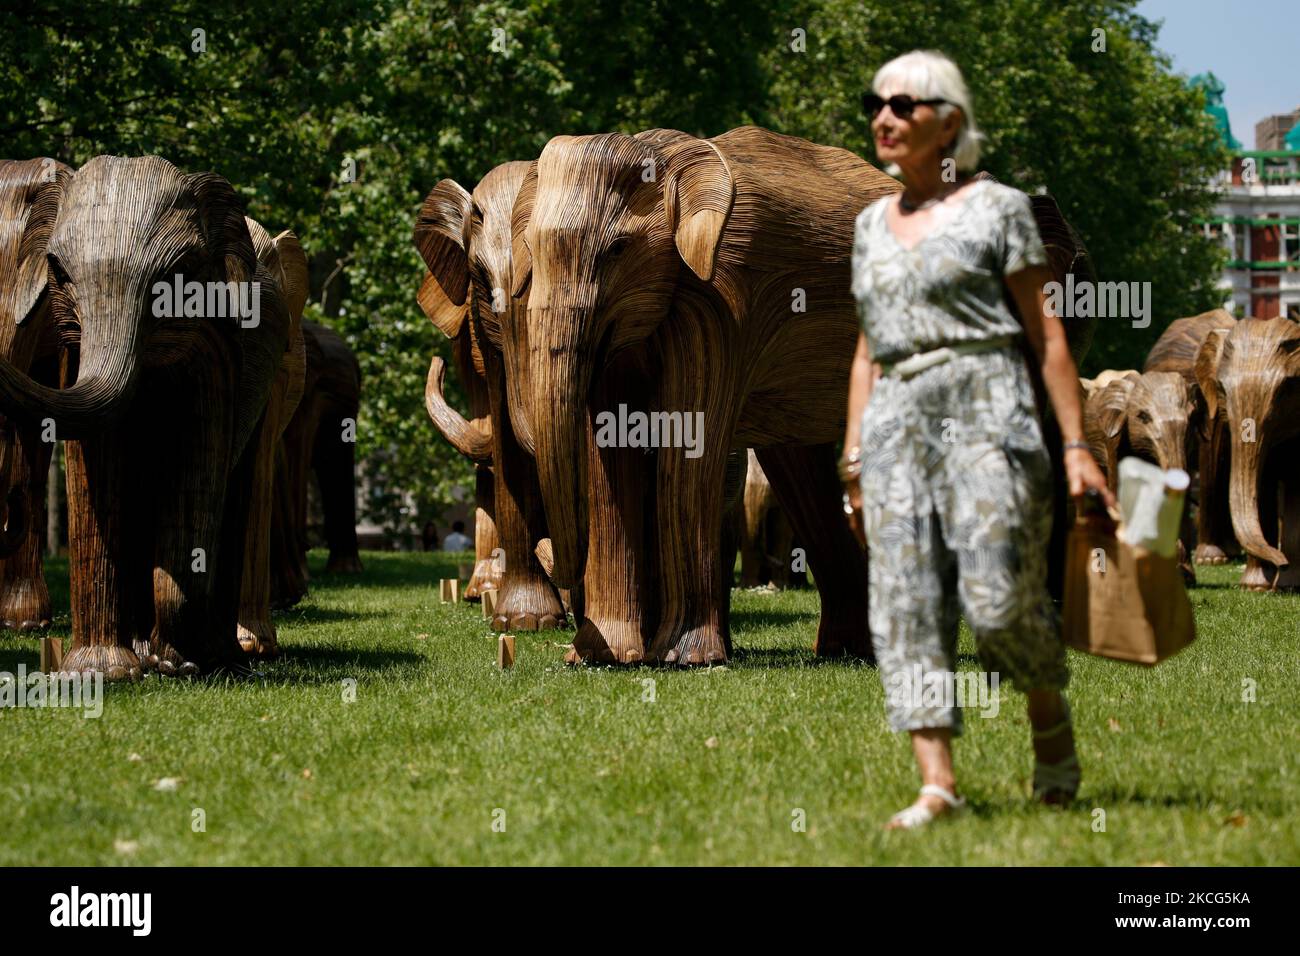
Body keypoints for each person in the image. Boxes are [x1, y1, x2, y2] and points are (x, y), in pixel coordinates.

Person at [842, 50, 1114, 830]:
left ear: (950, 124)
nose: (883, 117)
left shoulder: (999, 210)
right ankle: (939, 784)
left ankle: (1049, 721)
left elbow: (1046, 334)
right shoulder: (869, 225)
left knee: (998, 598)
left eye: (904, 104)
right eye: (875, 102)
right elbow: (865, 348)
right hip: (895, 413)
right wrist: (854, 456)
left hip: (989, 403)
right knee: (905, 602)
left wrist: (1073, 445)